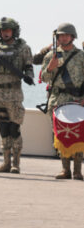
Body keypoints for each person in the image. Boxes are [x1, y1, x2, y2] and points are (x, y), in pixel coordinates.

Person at [0, 17, 34, 173]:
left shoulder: (23, 48)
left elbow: (29, 66)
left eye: (8, 30)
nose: (5, 33)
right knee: (3, 128)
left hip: (14, 94)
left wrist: (29, 76)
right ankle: (5, 163)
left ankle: (16, 163)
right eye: (2, 30)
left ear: (14, 31)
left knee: (14, 129)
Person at [41, 23, 84, 180]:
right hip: (58, 99)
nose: (63, 38)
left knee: (78, 135)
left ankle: (78, 171)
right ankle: (65, 169)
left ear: (73, 37)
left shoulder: (81, 56)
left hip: (76, 99)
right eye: (61, 35)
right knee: (60, 135)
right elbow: (44, 78)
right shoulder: (50, 56)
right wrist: (50, 68)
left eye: (66, 35)